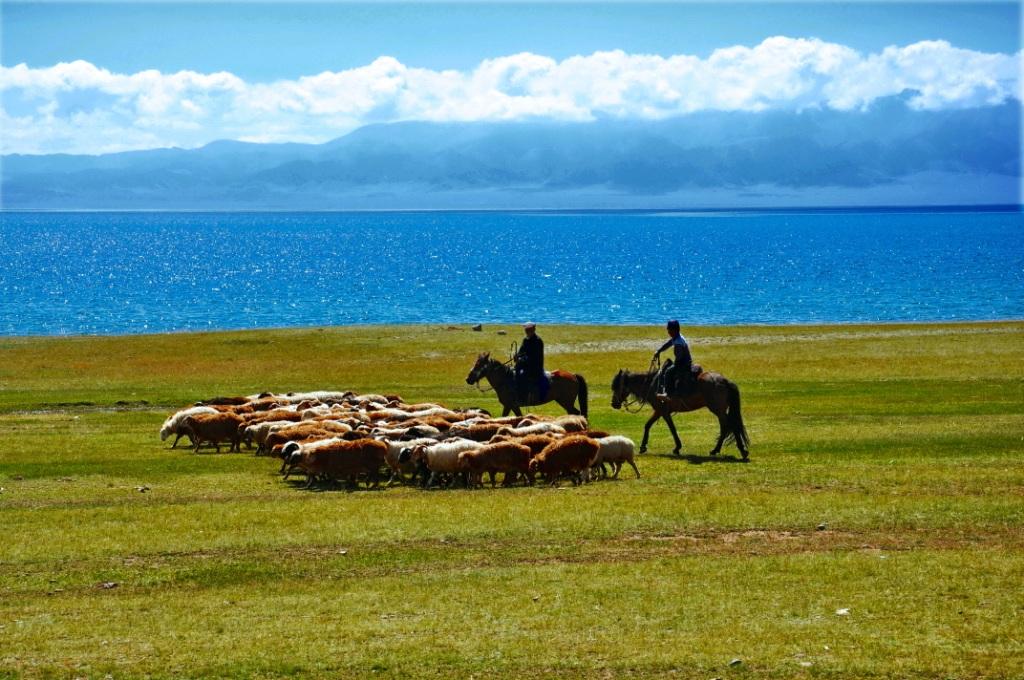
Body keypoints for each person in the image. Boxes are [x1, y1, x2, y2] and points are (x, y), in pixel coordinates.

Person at [654, 319, 693, 397]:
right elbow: (668, 344)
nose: (668, 332)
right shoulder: (677, 337)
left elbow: (679, 357)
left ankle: (667, 393)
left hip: (683, 363)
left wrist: (674, 365)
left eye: (669, 330)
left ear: (674, 330)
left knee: (668, 371)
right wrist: (659, 351)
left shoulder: (678, 342)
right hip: (684, 361)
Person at [514, 322, 544, 405]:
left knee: (522, 376)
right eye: (526, 330)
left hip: (534, 367)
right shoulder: (525, 340)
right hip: (525, 364)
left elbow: (534, 358)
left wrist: (521, 360)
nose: (526, 332)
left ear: (533, 330)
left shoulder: (537, 341)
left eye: (528, 330)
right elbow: (521, 351)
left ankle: (523, 398)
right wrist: (517, 356)